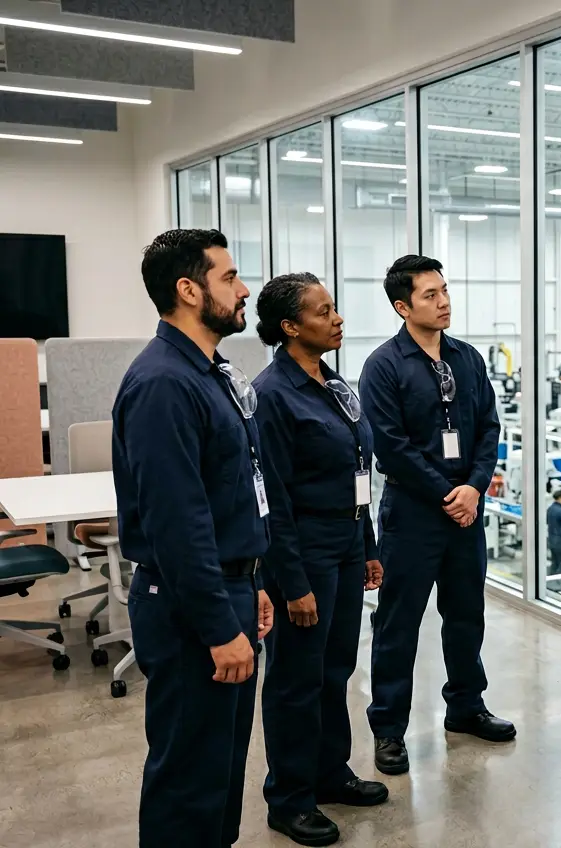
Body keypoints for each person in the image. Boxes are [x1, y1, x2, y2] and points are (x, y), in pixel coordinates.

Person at [111, 228, 275, 847]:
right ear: (188, 290)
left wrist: (252, 582)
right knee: (189, 778)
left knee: (220, 768)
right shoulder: (163, 384)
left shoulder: (209, 373)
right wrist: (217, 626)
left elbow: (230, 491)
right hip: (188, 607)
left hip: (229, 589)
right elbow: (177, 524)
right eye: (229, 278)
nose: (244, 290)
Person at [359, 254, 515, 776]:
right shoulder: (383, 366)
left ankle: (466, 706)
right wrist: (449, 494)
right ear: (402, 307)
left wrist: (474, 487)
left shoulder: (467, 358)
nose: (444, 301)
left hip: (466, 511)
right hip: (413, 513)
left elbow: (489, 427)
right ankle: (388, 728)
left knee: (467, 614)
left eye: (445, 290)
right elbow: (391, 445)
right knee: (397, 623)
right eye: (430, 295)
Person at [251, 273, 389, 846]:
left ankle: (330, 773)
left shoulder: (333, 382)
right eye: (323, 311)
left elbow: (359, 468)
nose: (337, 318)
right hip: (303, 549)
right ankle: (289, 798)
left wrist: (367, 546)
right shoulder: (271, 394)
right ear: (290, 327)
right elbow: (273, 500)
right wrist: (292, 582)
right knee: (296, 679)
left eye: (334, 308)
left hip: (345, 541)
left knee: (335, 670)